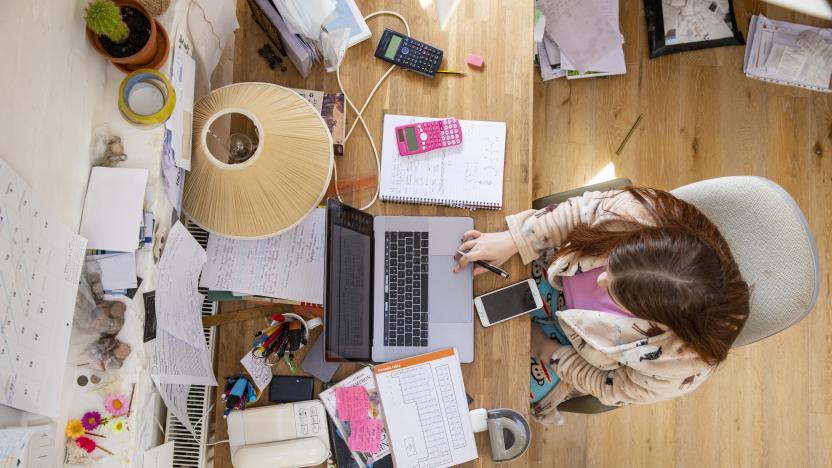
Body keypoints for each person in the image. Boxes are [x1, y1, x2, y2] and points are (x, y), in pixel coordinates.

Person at [454, 187, 750, 422]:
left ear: (657, 322)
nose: (600, 280)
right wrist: (514, 240)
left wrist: (546, 351)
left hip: (566, 351)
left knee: (482, 398)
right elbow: (578, 212)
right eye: (614, 262)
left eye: (617, 293)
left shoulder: (677, 367)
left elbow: (609, 386)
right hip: (550, 268)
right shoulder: (646, 214)